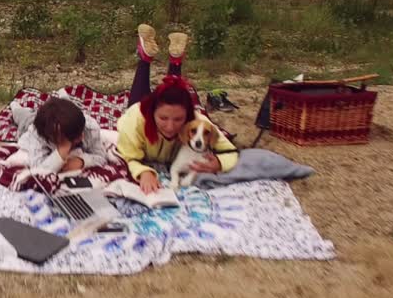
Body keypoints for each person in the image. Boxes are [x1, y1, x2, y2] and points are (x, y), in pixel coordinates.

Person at [117, 24, 239, 193]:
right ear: (153, 112)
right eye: (163, 118)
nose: (170, 126)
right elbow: (127, 156)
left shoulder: (197, 123)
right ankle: (147, 59)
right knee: (137, 102)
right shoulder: (135, 121)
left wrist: (219, 162)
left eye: (178, 119)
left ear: (188, 116)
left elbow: (231, 151)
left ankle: (174, 60)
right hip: (139, 111)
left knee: (175, 89)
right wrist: (143, 171)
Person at [16, 96, 111, 174]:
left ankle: (63, 96)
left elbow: (101, 157)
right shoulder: (37, 135)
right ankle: (15, 107)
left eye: (80, 132)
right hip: (30, 123)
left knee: (63, 107)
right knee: (24, 116)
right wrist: (62, 150)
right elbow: (39, 169)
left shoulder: (90, 128)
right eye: (73, 137)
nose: (81, 137)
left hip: (61, 120)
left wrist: (82, 161)